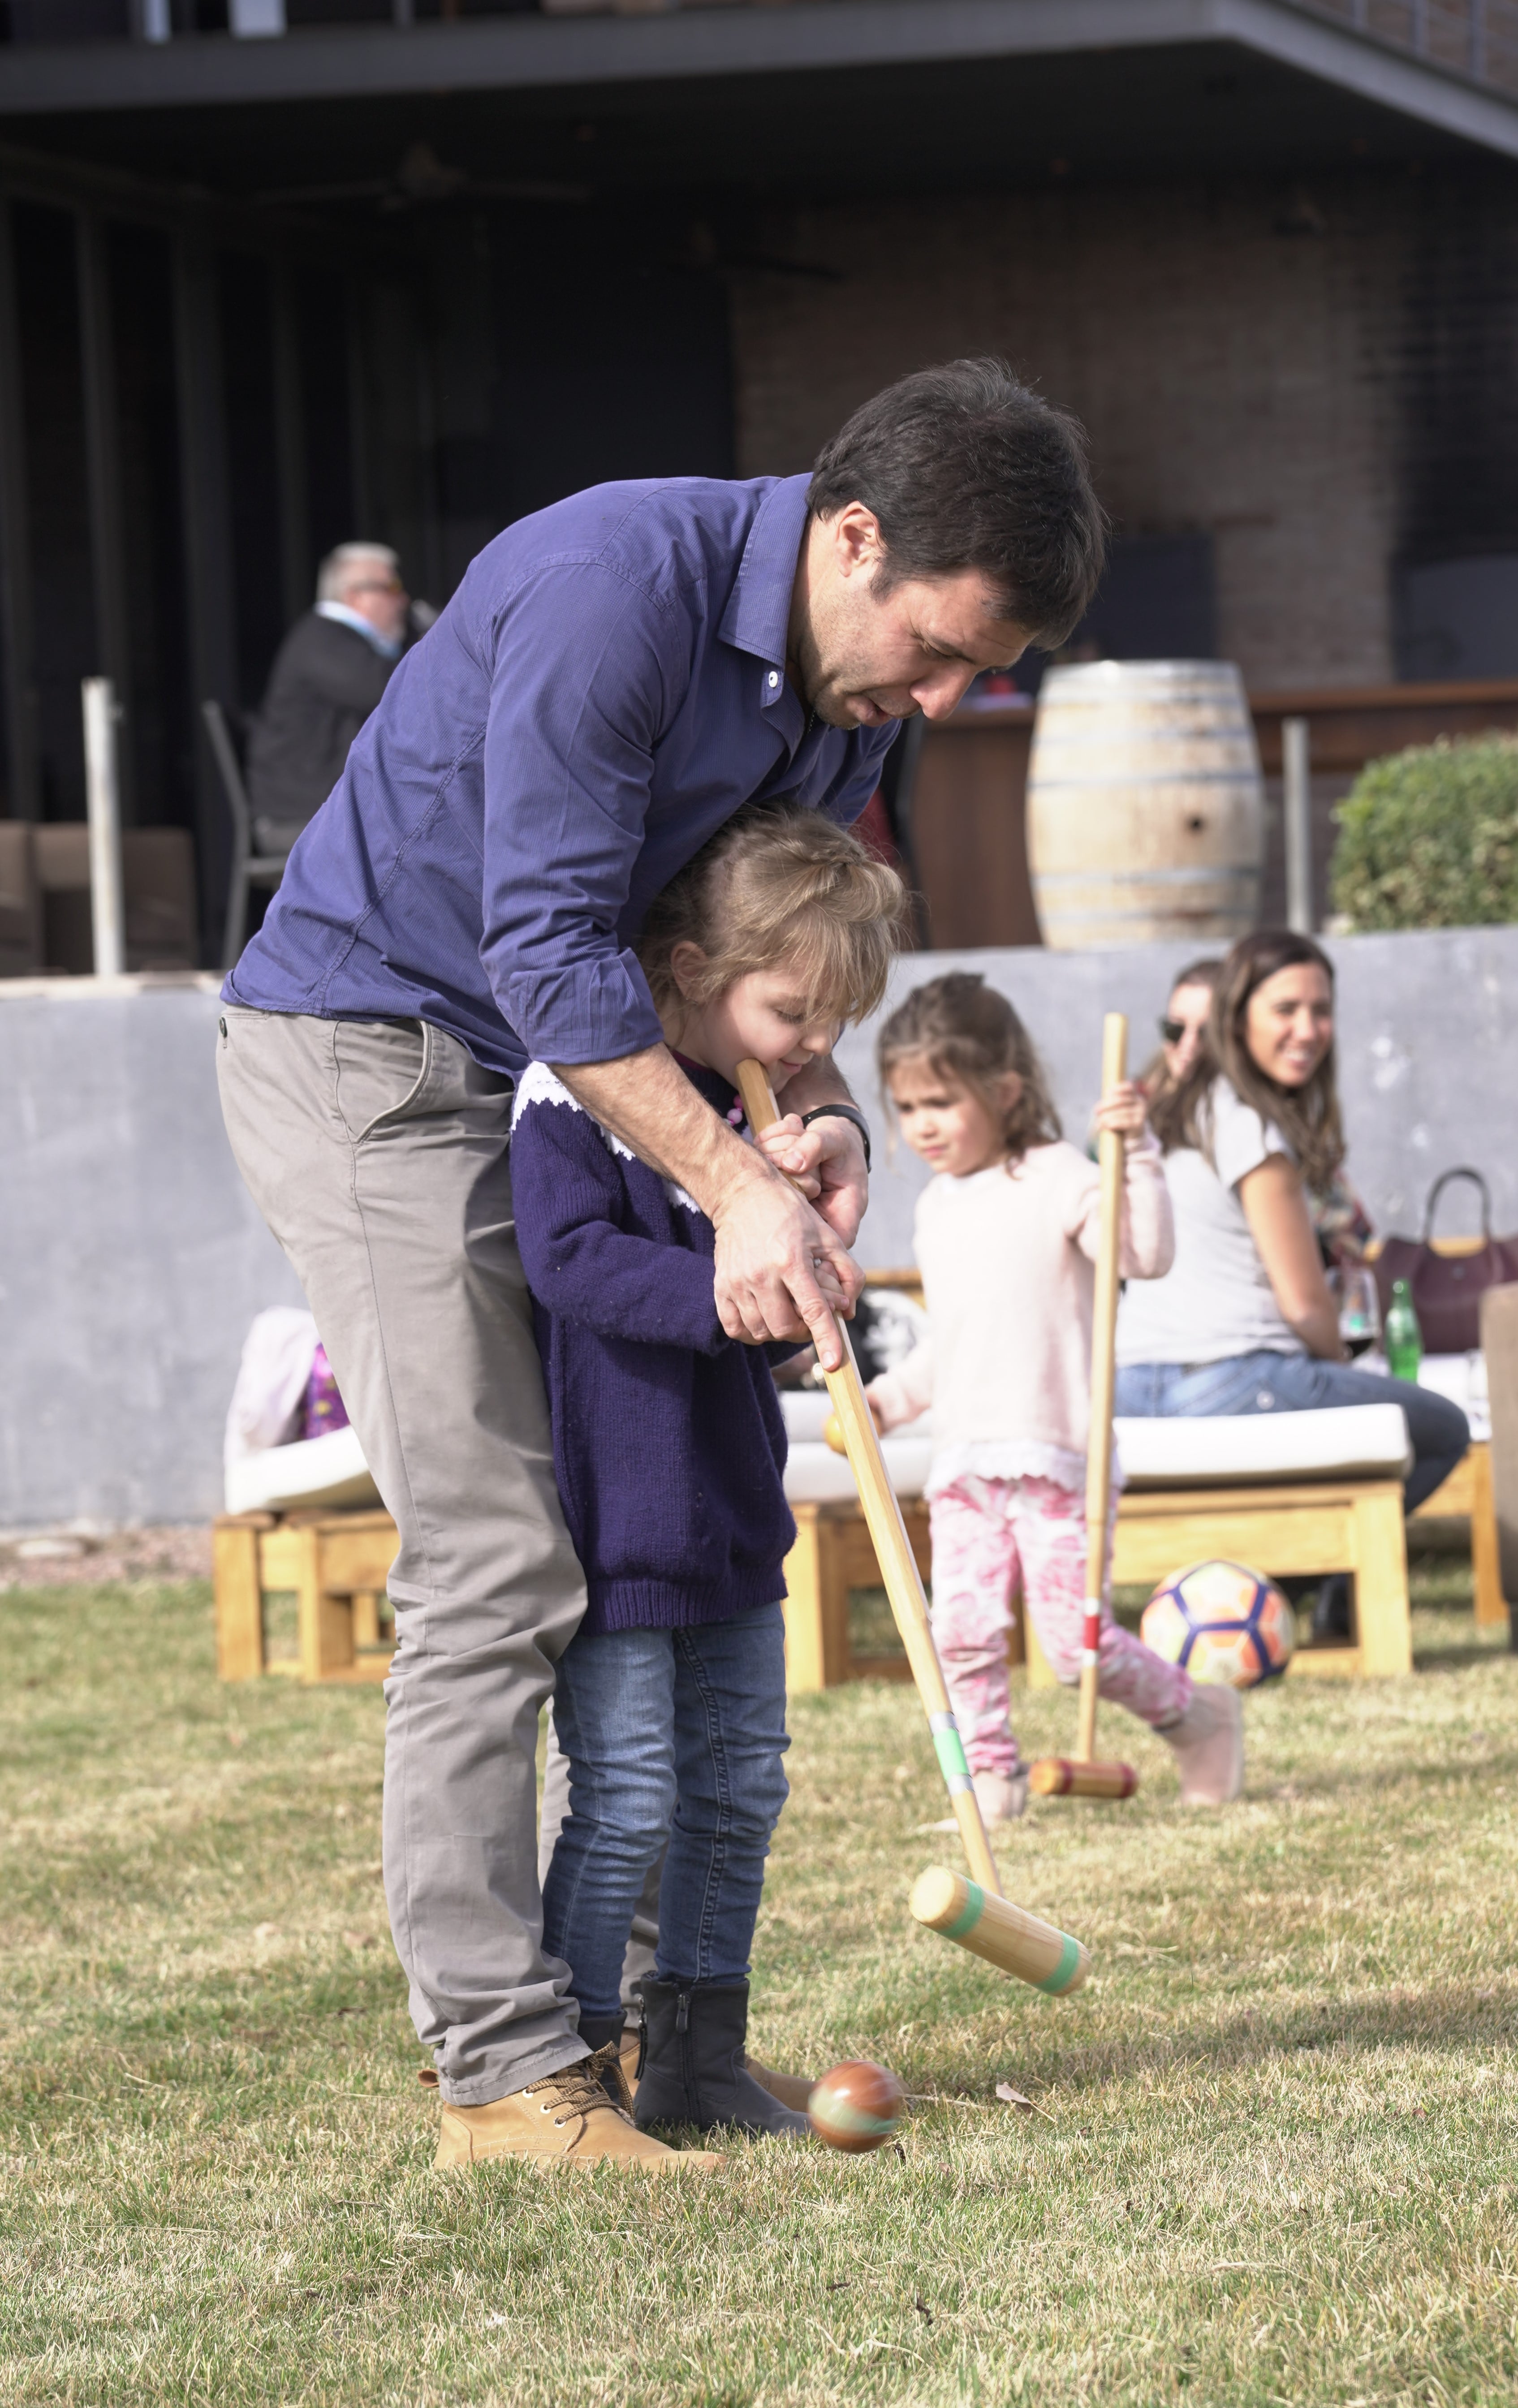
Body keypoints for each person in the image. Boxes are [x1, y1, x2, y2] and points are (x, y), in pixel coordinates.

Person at [216, 358, 1106, 2174]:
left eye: (971, 676)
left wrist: (814, 1112)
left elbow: (752, 934)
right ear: (852, 536)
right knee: (499, 1549)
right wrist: (726, 1183)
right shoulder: (615, 586)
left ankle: (637, 2037)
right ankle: (497, 2072)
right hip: (378, 1053)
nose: (937, 702)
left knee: (630, 1555)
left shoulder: (845, 690)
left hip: (583, 1071)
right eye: (937, 654)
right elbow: (545, 946)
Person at [513, 803, 905, 2152]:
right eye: (793, 1014)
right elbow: (570, 1265)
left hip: (734, 1513)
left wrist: (806, 1269)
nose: (809, 1053)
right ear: (688, 968)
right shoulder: (576, 1101)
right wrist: (734, 1286)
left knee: (741, 1790)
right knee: (625, 1796)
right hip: (622, 1520)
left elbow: (766, 1273)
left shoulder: (754, 1129)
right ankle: (576, 2064)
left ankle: (699, 2056)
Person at [864, 974, 1246, 1817]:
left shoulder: (1056, 1175)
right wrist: (889, 1400)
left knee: (1077, 1652)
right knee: (959, 1635)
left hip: (1058, 1458)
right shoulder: (935, 1207)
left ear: (1003, 1092)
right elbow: (956, 1342)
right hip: (965, 1462)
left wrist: (1134, 1156)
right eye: (906, 1107)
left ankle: (1203, 1718)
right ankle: (991, 1779)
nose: (920, 1125)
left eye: (939, 1102)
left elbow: (1140, 1256)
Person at [1116, 929, 1470, 1637]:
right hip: (1233, 1378)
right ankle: (1326, 1582)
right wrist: (1336, 1363)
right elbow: (1305, 1303)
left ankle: (1280, 1586)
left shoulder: (1178, 1113)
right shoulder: (1249, 1123)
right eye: (1285, 1009)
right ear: (1238, 1015)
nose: (1306, 1029)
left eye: (1320, 1009)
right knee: (1440, 1427)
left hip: (1130, 1383)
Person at [246, 543, 411, 851]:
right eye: (392, 587)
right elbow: (392, 692)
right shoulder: (324, 640)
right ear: (355, 595)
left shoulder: (336, 641)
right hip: (303, 818)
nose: (402, 599)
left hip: (326, 810)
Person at [1145, 957, 1222, 1102]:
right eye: (1176, 1029)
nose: (1189, 1044)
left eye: (1207, 1033)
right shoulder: (1142, 1094)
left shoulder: (1238, 1111)